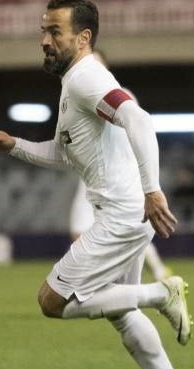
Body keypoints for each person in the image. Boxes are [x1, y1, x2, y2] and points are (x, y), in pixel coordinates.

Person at [0, 0, 194, 369]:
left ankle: (160, 293)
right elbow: (64, 153)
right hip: (128, 213)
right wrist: (13, 144)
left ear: (83, 37)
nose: (44, 41)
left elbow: (138, 118)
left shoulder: (86, 78)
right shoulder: (74, 81)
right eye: (43, 31)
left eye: (55, 32)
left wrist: (153, 190)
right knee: (119, 313)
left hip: (122, 215)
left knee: (51, 300)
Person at [69, 49, 172, 282]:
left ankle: (150, 278)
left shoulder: (120, 95)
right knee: (82, 235)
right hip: (89, 177)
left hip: (114, 176)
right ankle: (136, 281)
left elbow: (137, 126)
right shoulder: (77, 95)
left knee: (122, 233)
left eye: (95, 64)